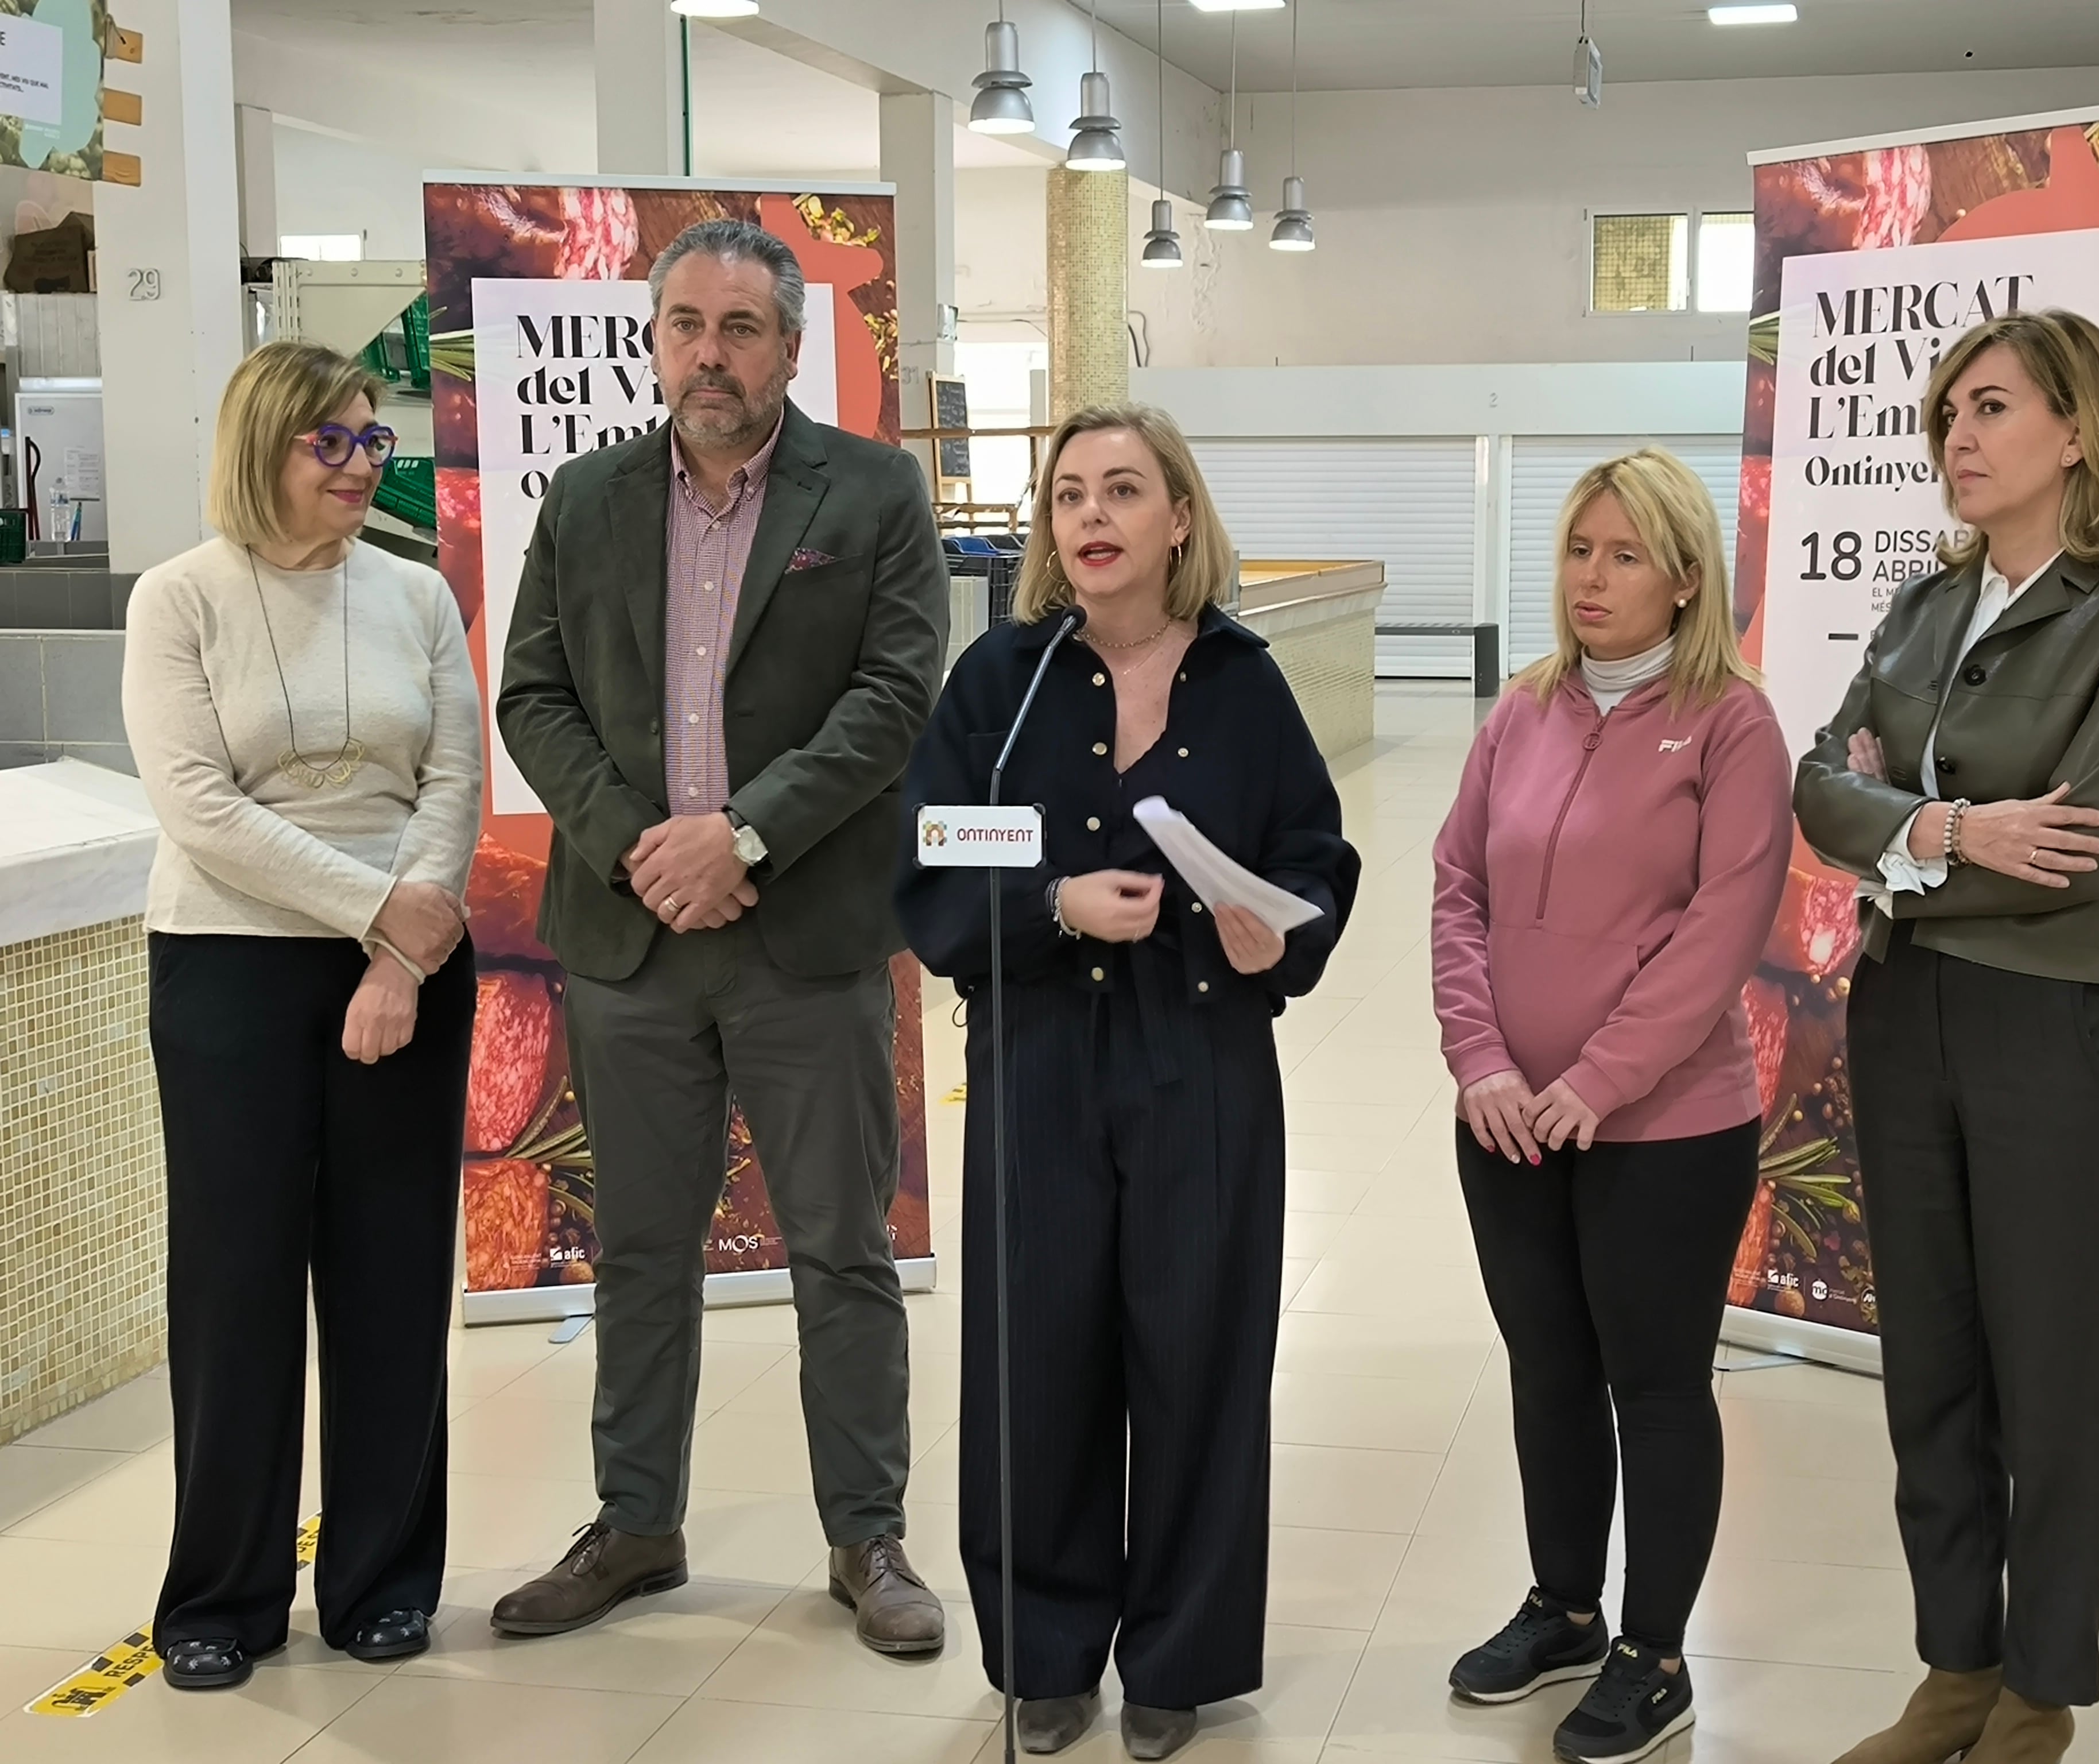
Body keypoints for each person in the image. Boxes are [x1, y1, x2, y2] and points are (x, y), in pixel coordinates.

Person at [492, 218, 950, 1653]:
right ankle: (636, 1526)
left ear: (790, 348)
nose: (707, 351)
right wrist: (642, 844)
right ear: (652, 336)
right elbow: (532, 696)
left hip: (800, 934)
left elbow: (893, 695)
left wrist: (740, 834)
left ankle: (865, 1540)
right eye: (682, 323)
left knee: (839, 1252)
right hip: (631, 940)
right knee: (637, 1255)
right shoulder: (584, 499)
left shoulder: (871, 492)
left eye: (738, 327)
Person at [896, 404, 1360, 1760]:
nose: (1090, 517)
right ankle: (1045, 1647)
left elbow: (1315, 857)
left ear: (1176, 520)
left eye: (1122, 491)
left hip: (1200, 1053)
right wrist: (1048, 903)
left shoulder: (1242, 684)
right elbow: (939, 843)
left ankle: (1179, 1653)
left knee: (1198, 1354)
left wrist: (1282, 924)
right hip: (1038, 1052)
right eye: (1068, 496)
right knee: (1036, 1355)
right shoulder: (1004, 680)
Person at [1798, 311, 2099, 1764]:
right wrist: (1957, 825)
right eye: (1945, 414)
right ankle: (1951, 1670)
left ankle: (2039, 1692)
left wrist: (1891, 826)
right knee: (1933, 1371)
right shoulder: (1916, 610)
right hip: (1904, 1018)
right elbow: (1812, 791)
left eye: (1989, 409)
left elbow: (2084, 852)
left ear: (2075, 431)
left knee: (2047, 1380)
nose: (1954, 438)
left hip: (2052, 1035)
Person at [121, 341, 482, 1688]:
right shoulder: (179, 600)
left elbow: (451, 776)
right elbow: (201, 808)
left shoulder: (417, 595)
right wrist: (379, 912)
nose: (358, 464)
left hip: (411, 962)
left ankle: (384, 1577)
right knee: (238, 1282)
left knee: (391, 1279)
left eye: (371, 441)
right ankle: (221, 1593)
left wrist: (403, 951)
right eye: (329, 442)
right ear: (260, 446)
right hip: (231, 962)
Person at [1431, 447, 1792, 1764]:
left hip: (1664, 1131)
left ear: (1684, 578)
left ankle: (1654, 1654)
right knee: (1547, 1373)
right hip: (1507, 1124)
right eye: (1579, 549)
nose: (1592, 577)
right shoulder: (1519, 713)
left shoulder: (1734, 727)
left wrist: (1592, 1083)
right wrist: (1481, 1062)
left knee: (1653, 1384)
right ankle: (1564, 1607)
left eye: (1624, 554)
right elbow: (1455, 887)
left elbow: (1720, 931)